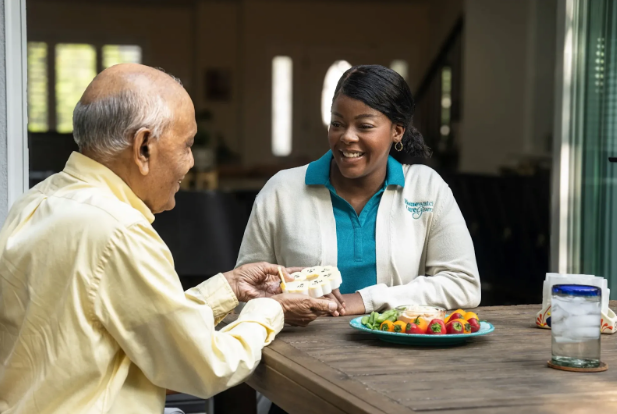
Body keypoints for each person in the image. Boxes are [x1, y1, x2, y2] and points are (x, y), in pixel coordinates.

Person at [0, 64, 338, 414]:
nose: (191, 163)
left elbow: (143, 319)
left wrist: (229, 286)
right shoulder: (119, 231)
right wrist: (269, 310)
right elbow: (206, 366)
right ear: (144, 147)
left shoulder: (38, 200)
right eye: (187, 146)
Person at [237, 64, 480, 317]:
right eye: (337, 124)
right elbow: (244, 293)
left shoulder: (427, 188)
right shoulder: (281, 191)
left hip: (402, 352)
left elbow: (464, 285)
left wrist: (366, 300)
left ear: (397, 131)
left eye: (364, 126)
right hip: (301, 348)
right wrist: (280, 305)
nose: (347, 137)